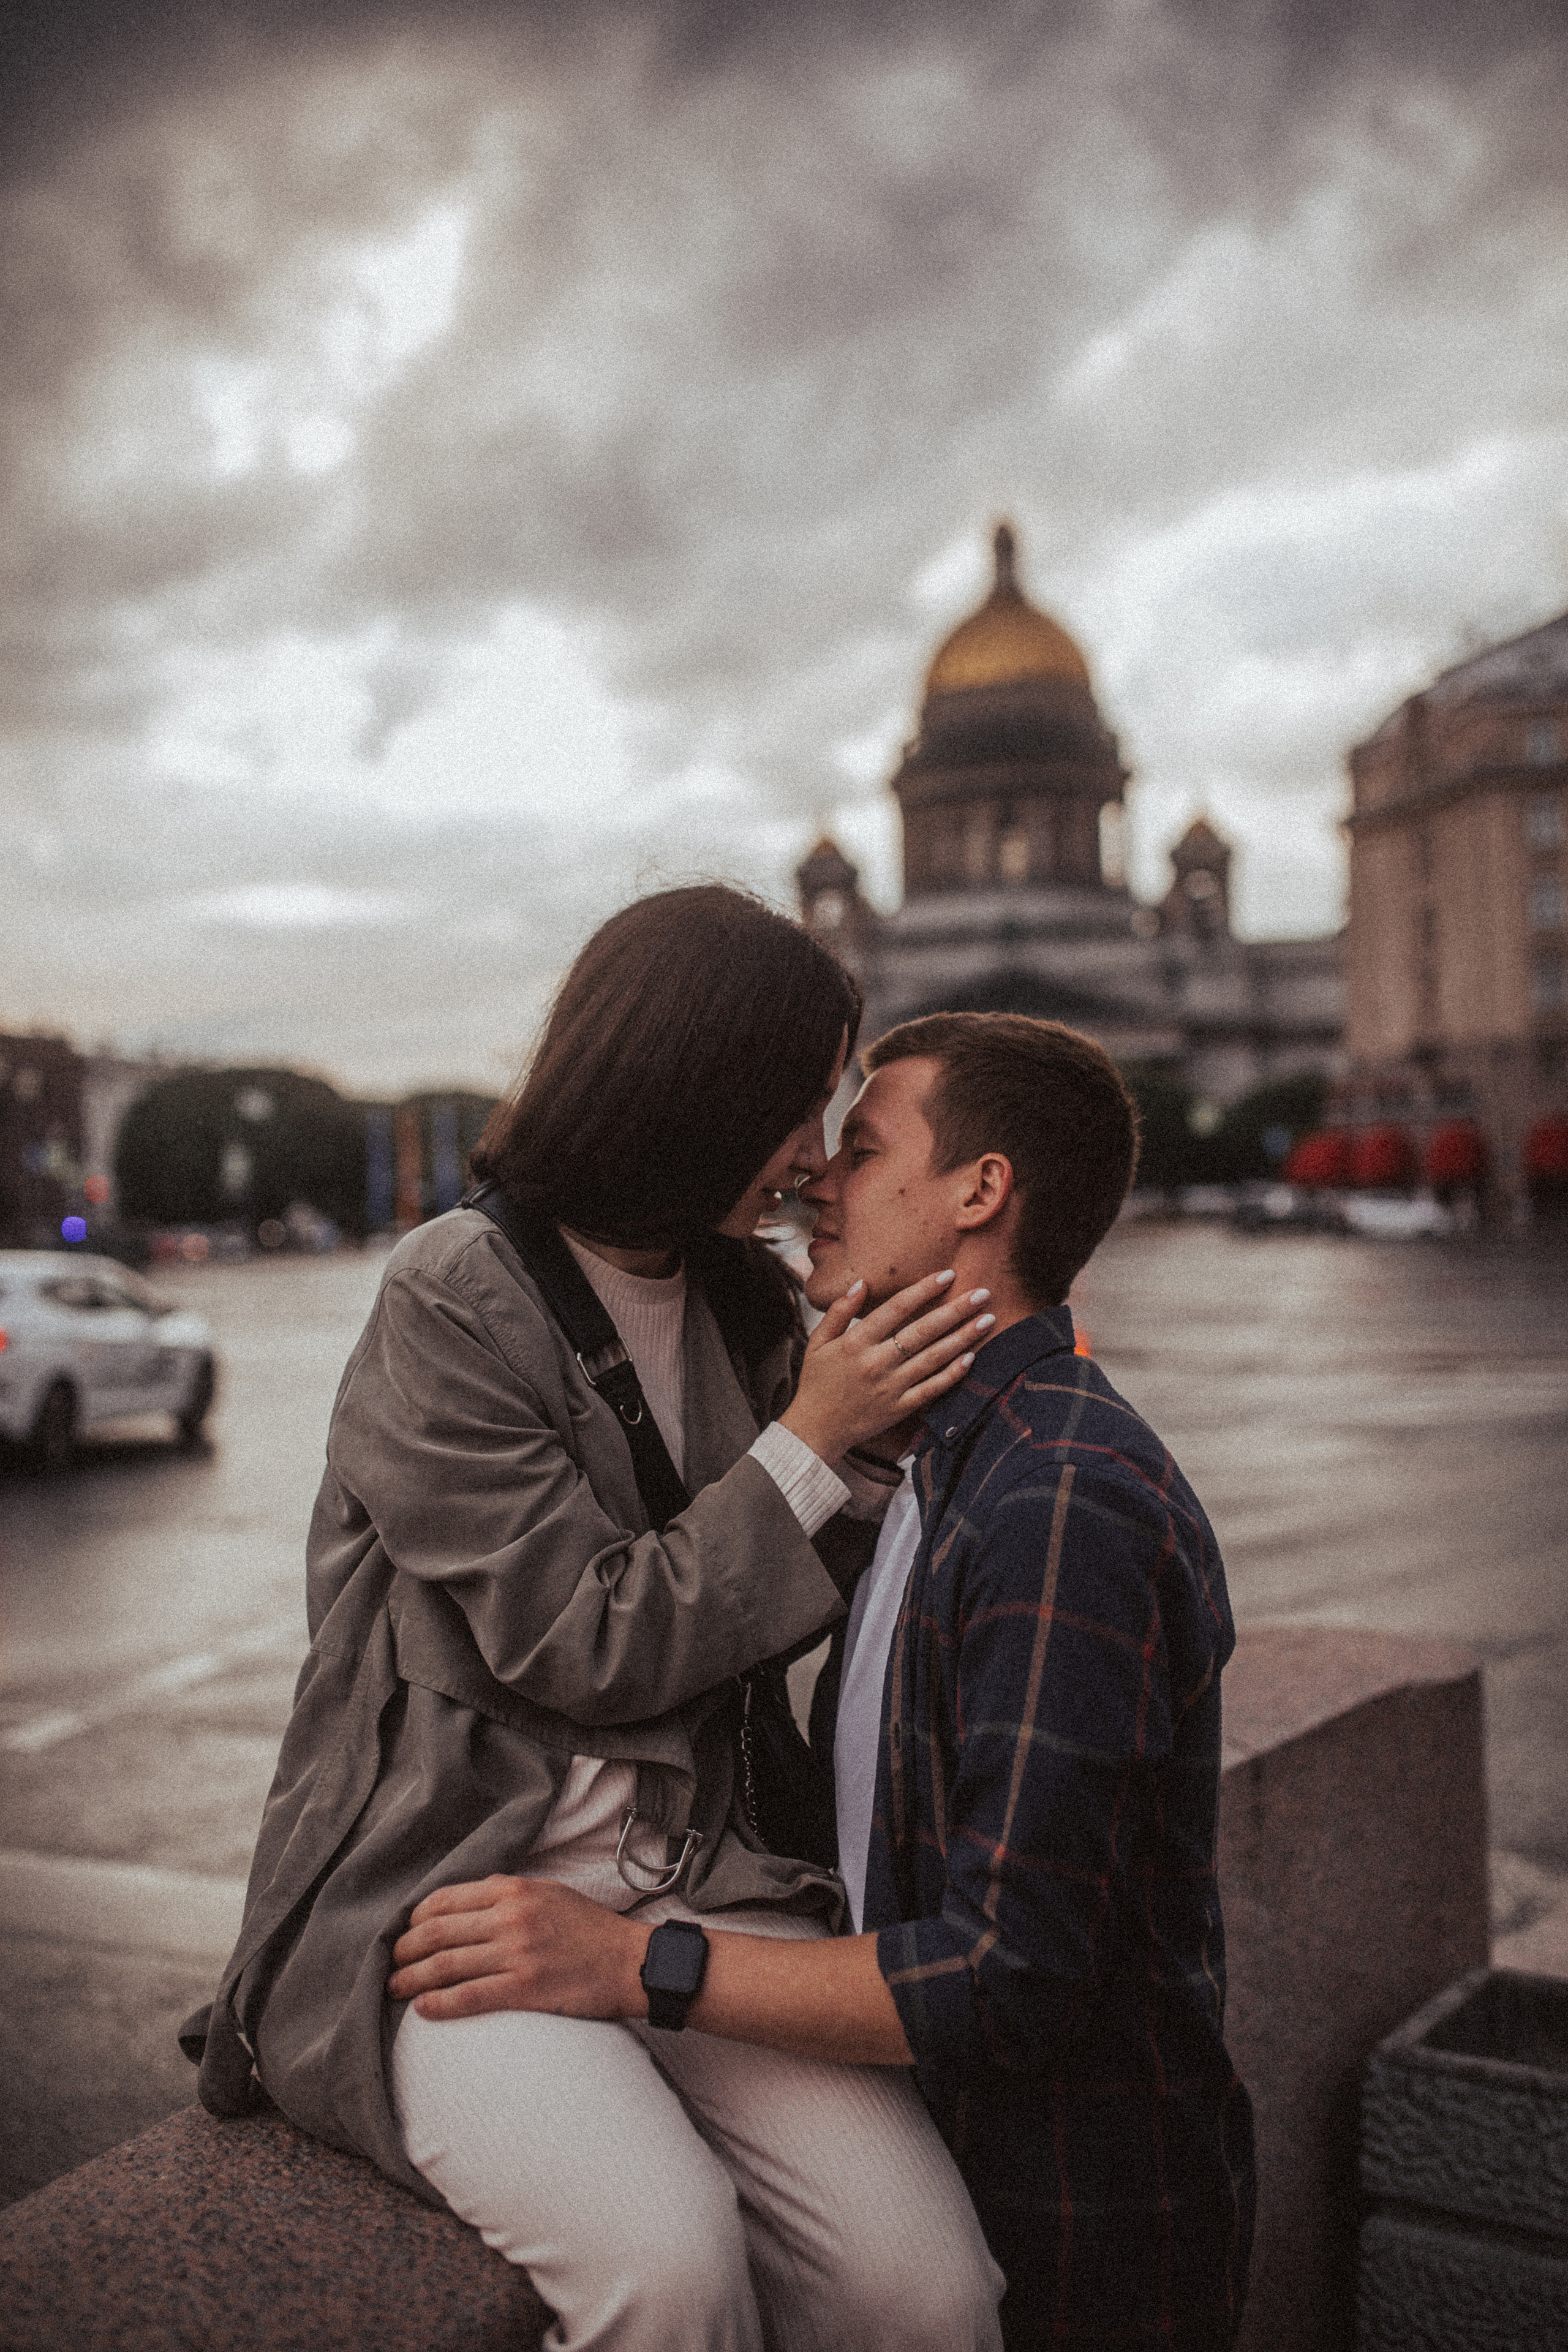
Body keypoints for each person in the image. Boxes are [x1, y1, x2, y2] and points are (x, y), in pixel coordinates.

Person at [184, 886, 1005, 2352]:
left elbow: (791, 1593)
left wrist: (945, 1399)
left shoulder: (747, 1302)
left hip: (708, 1885)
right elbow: (583, 1640)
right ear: (694, 1093)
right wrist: (814, 1442)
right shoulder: (451, 1297)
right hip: (458, 1898)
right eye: (796, 1109)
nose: (812, 1159)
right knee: (665, 2268)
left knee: (926, 2292)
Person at [390, 1010, 1257, 2351]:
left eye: (858, 1147)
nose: (813, 1183)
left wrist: (636, 1961)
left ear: (980, 1192)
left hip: (1073, 2216)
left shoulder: (1058, 1497)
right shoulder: (947, 1456)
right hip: (989, 2161)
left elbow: (999, 1971)